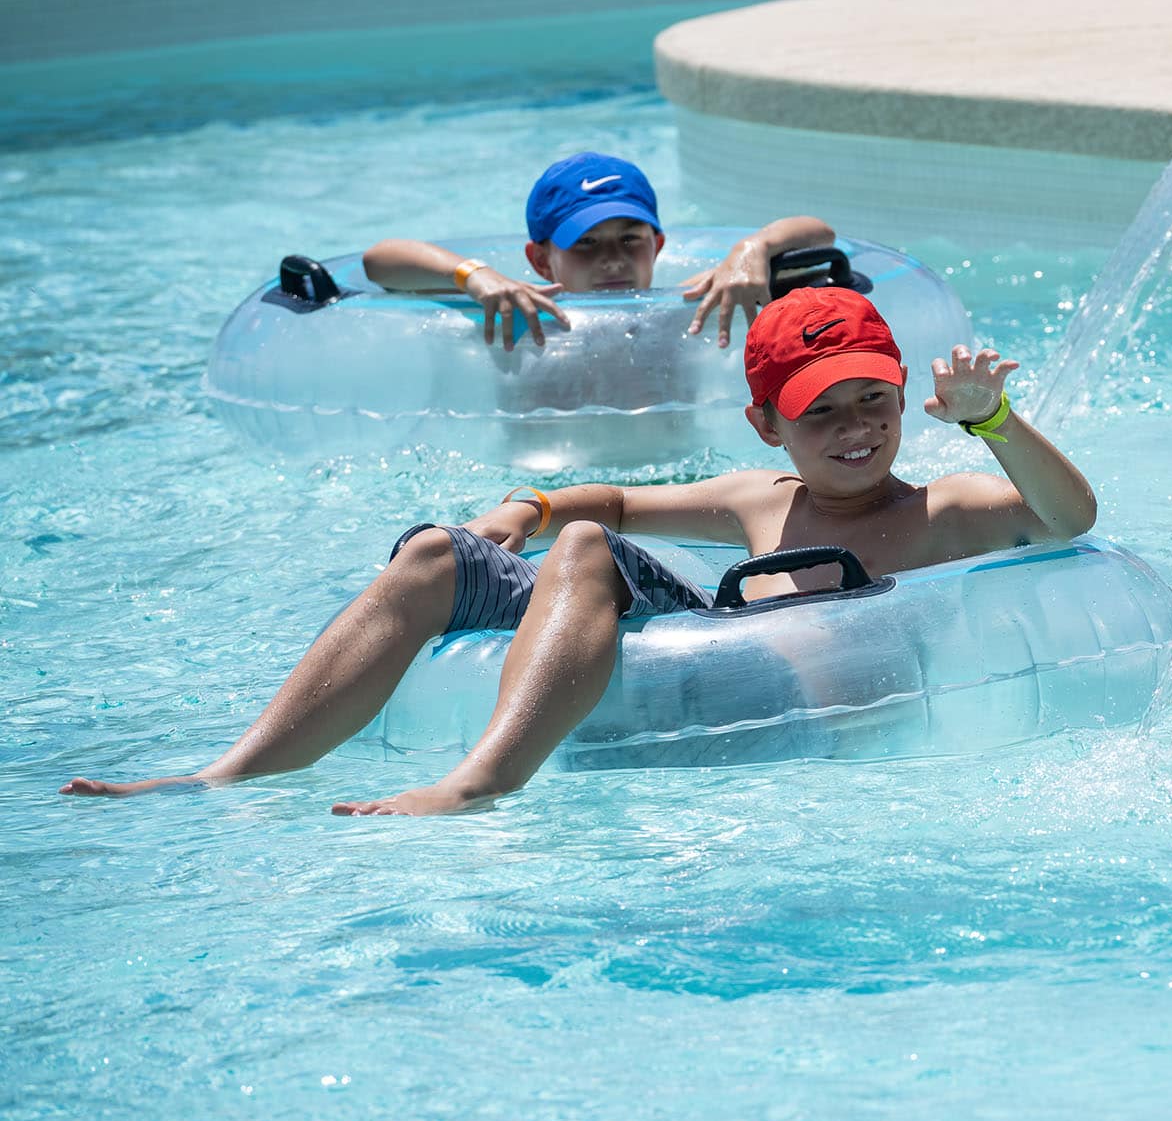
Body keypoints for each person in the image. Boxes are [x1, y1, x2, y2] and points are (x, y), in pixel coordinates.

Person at [62, 288, 1094, 816]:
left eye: (874, 401)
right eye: (819, 412)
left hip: (794, 720)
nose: (854, 428)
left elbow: (1068, 515)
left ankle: (482, 781)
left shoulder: (945, 507)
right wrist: (525, 504)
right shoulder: (758, 496)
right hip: (696, 686)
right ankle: (233, 770)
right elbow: (603, 494)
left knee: (594, 547)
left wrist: (994, 418)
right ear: (768, 425)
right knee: (435, 553)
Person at [361, 151, 834, 348]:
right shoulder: (521, 309)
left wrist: (754, 248)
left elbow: (820, 233)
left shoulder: (691, 301)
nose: (612, 258)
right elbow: (380, 260)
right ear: (540, 259)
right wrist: (473, 275)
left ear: (658, 245)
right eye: (585, 243)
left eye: (631, 238)